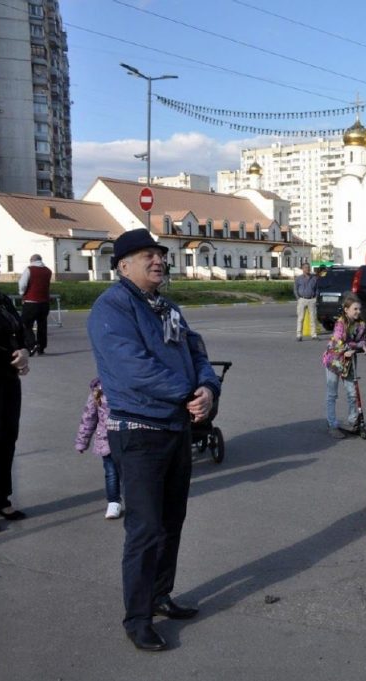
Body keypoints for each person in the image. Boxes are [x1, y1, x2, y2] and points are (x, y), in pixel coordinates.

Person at [87, 229, 221, 652]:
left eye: (161, 255)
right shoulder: (111, 308)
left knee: (170, 522)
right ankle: (138, 617)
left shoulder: (167, 306)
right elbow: (133, 369)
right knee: (144, 529)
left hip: (174, 430)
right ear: (123, 264)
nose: (159, 261)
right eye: (148, 255)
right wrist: (187, 393)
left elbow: (197, 352)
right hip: (138, 432)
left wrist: (208, 389)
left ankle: (161, 595)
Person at [0, 246, 31, 534]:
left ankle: (0, 499)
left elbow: (20, 329)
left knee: (7, 438)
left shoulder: (2, 299)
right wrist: (11, 356)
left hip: (7, 379)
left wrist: (24, 351)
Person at [74, 378, 123, 519]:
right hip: (106, 440)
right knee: (111, 473)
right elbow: (88, 417)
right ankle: (113, 502)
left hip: (129, 438)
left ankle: (135, 501)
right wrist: (82, 441)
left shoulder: (130, 385)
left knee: (130, 473)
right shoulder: (98, 390)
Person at [323, 293, 366, 439]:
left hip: (349, 362)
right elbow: (338, 342)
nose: (358, 312)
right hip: (334, 361)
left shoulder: (361, 324)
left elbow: (362, 340)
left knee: (352, 393)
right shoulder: (340, 323)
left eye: (359, 309)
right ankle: (331, 423)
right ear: (346, 309)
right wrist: (356, 347)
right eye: (355, 309)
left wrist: (362, 345)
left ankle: (353, 421)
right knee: (332, 394)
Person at [18, 253, 52, 355]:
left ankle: (32, 344)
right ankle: (42, 347)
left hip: (31, 302)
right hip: (45, 302)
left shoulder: (29, 269)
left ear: (32, 260)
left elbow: (22, 284)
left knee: (26, 324)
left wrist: (22, 293)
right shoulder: (48, 271)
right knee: (42, 325)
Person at [294, 262, 319, 341]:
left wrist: (316, 298)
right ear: (302, 269)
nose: (307, 269)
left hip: (312, 299)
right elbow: (295, 289)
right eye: (305, 267)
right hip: (302, 299)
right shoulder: (298, 278)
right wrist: (298, 298)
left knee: (313, 318)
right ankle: (299, 335)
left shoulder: (314, 278)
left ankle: (314, 335)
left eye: (308, 267)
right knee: (300, 318)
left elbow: (317, 289)